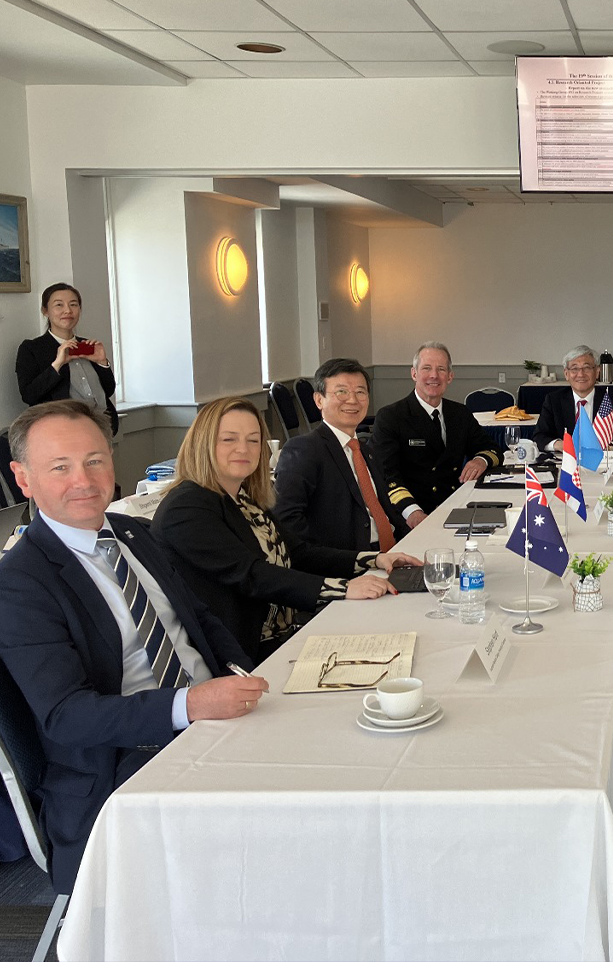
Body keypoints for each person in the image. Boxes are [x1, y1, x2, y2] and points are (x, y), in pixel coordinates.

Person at [0, 400, 266, 893]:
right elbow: (67, 716)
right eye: (60, 467)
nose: (83, 480)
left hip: (214, 722)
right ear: (23, 478)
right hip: (124, 763)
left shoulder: (133, 532)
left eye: (94, 460)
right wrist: (190, 705)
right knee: (276, 834)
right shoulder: (20, 581)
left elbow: (200, 620)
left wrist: (238, 674)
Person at [152, 398, 416, 663]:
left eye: (253, 440)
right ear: (203, 444)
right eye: (229, 439)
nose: (243, 448)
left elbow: (299, 553)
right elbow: (252, 575)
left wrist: (373, 559)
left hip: (283, 635)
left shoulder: (245, 498)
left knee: (398, 641)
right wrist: (343, 588)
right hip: (241, 655)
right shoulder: (186, 507)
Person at [273, 358, 421, 551]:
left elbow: (387, 512)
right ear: (319, 400)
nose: (352, 400)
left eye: (360, 392)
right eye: (341, 392)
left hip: (393, 551)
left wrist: (415, 543)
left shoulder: (366, 451)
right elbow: (286, 522)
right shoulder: (304, 449)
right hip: (351, 560)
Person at [373, 342, 502, 516]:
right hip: (412, 512)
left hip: (456, 507)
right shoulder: (391, 417)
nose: (434, 375)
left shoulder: (460, 414)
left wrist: (481, 460)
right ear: (414, 373)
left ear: (450, 376)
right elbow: (386, 475)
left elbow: (492, 449)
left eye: (441, 369)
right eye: (426, 368)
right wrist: (412, 512)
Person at [15, 282, 119, 435]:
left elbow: (108, 391)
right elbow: (29, 395)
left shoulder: (87, 345)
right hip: (62, 431)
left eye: (73, 304)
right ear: (45, 311)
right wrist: (57, 365)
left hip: (102, 427)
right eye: (59, 305)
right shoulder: (32, 348)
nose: (68, 310)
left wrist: (102, 363)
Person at [532, 345, 613, 452]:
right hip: (565, 460)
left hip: (601, 459)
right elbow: (539, 437)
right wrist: (561, 445)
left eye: (587, 368)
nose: (581, 374)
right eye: (574, 369)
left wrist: (609, 447)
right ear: (566, 374)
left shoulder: (612, 401)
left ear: (597, 372)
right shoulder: (554, 400)